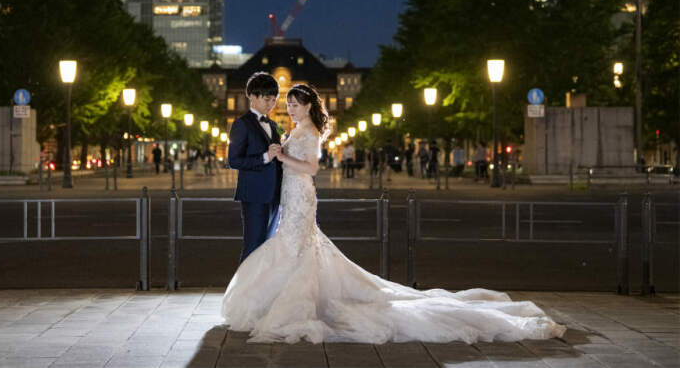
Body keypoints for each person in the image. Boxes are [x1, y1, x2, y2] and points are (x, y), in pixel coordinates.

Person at [222, 83, 565, 344]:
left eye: (295, 104)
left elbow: (311, 167)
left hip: (300, 194)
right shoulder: (296, 129)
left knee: (297, 247)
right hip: (292, 195)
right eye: (288, 104)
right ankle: (279, 298)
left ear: (309, 105)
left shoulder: (309, 132)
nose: (289, 109)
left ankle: (288, 301)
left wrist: (282, 156)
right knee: (294, 248)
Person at [227, 72, 283, 262]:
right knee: (253, 246)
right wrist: (265, 157)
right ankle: (244, 282)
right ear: (252, 96)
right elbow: (234, 160)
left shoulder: (274, 125)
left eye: (274, 100)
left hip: (275, 195)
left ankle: (261, 282)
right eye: (267, 99)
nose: (271, 104)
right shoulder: (241, 124)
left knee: (267, 246)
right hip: (254, 195)